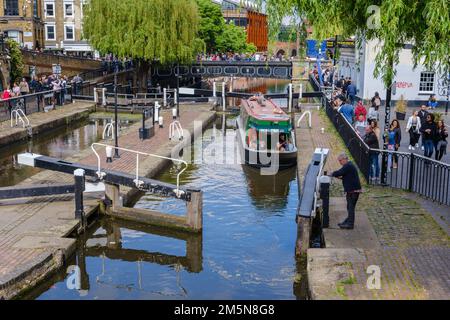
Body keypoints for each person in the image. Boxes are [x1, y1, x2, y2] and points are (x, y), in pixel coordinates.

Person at [330, 153, 362, 230]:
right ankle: (347, 221)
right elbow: (344, 175)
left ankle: (350, 224)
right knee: (349, 207)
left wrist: (331, 174)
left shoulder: (348, 166)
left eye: (340, 161)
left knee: (350, 207)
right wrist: (337, 176)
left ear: (344, 159)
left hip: (353, 191)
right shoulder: (349, 166)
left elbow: (339, 172)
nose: (339, 162)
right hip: (352, 190)